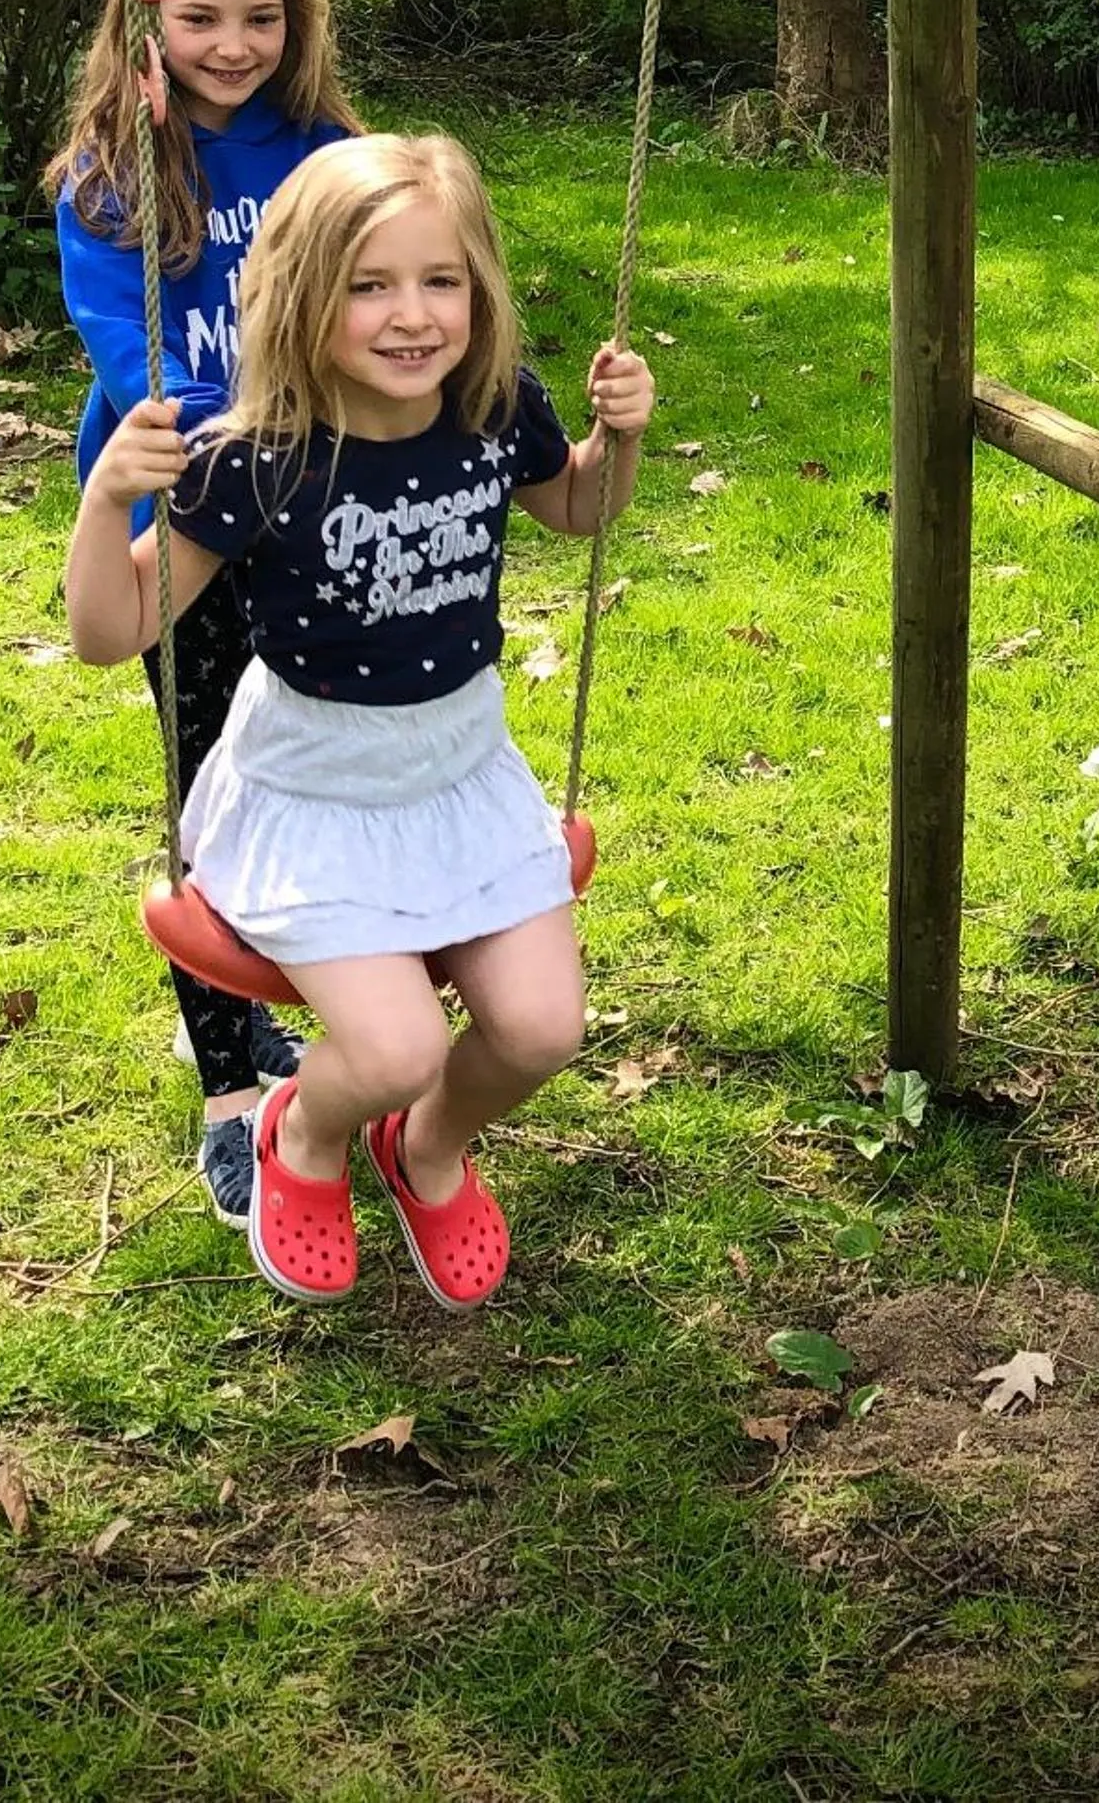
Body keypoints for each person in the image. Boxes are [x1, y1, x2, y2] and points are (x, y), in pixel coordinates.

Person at [63, 133, 655, 1311]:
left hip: (459, 776)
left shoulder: (495, 408)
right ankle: (307, 1133)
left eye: (440, 281)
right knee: (390, 1050)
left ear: (477, 289)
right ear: (300, 296)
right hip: (316, 795)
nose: (411, 316)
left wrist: (617, 438)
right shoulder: (253, 453)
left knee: (541, 1028)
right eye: (367, 285)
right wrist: (104, 497)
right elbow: (111, 627)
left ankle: (424, 1146)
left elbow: (580, 507)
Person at [44, 0, 363, 1223]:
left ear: (296, 23)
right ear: (149, 17)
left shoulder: (327, 150)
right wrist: (236, 445)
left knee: (316, 772)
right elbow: (132, 353)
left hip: (322, 504)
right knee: (211, 793)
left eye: (260, 19)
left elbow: (385, 278)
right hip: (182, 515)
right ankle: (231, 1089)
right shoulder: (115, 174)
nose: (233, 44)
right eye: (201, 19)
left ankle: (291, 1006)